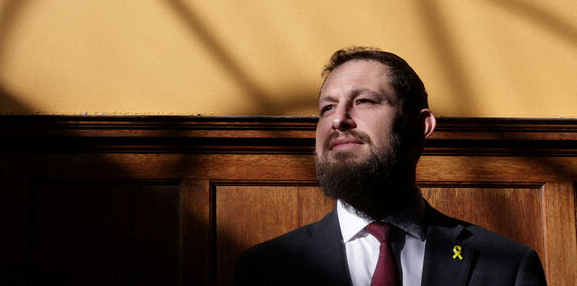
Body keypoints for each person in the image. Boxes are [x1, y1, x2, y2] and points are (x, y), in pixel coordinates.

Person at [234, 47, 547, 286]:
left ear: (420, 126)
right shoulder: (263, 269)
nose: (339, 119)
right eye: (327, 107)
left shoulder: (506, 267)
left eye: (365, 101)